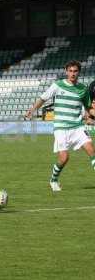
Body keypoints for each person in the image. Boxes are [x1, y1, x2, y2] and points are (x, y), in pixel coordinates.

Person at [25, 60, 95, 192]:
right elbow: (43, 98)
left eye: (75, 71)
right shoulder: (57, 85)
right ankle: (53, 180)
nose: (73, 74)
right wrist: (32, 110)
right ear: (66, 71)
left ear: (79, 72)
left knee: (92, 150)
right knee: (64, 158)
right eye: (70, 71)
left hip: (77, 127)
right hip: (61, 128)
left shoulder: (83, 89)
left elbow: (89, 108)